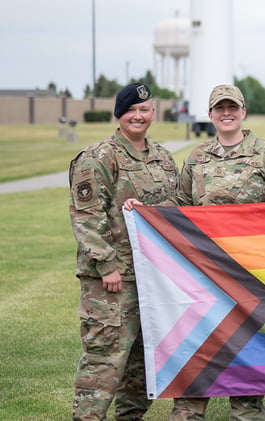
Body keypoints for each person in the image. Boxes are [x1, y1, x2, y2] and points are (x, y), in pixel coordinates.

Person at [167, 84, 265, 421]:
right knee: (199, 346)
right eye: (219, 108)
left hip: (250, 273)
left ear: (243, 112)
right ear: (210, 115)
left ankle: (247, 412)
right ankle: (189, 411)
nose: (227, 113)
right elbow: (180, 203)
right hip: (203, 273)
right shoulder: (197, 157)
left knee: (246, 349)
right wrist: (145, 211)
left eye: (232, 108)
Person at [70, 82, 179, 421]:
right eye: (131, 110)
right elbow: (87, 214)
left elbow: (176, 204)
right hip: (113, 282)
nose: (138, 116)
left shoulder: (162, 157)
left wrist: (154, 207)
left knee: (141, 362)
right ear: (119, 114)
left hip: (153, 277)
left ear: (153, 113)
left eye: (144, 110)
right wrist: (106, 266)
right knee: (104, 361)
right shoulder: (100, 156)